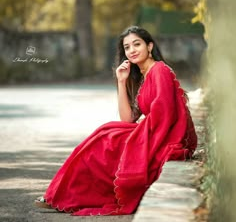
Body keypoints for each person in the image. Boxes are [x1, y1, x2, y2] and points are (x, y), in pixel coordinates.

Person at [34, 25, 197, 216]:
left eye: (137, 44)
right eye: (127, 47)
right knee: (104, 134)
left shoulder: (159, 70)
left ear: (150, 46)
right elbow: (128, 119)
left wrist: (140, 136)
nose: (132, 50)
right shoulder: (143, 76)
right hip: (152, 130)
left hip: (165, 137)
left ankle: (66, 196)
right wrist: (121, 81)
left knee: (106, 141)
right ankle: (62, 195)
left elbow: (165, 113)